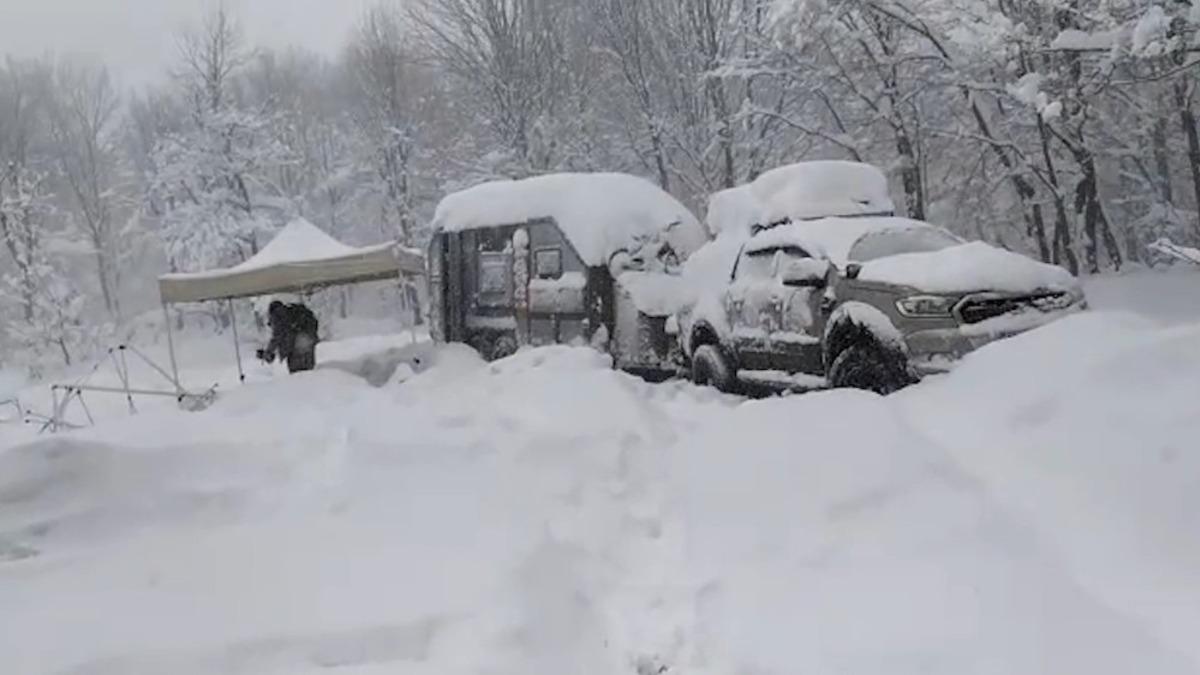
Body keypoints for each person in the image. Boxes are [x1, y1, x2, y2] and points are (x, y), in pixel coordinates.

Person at [257, 300, 320, 373]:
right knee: (309, 372)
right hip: (308, 343)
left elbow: (278, 336)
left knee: (298, 375)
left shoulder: (277, 315)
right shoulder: (292, 312)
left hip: (295, 349)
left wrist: (268, 352)